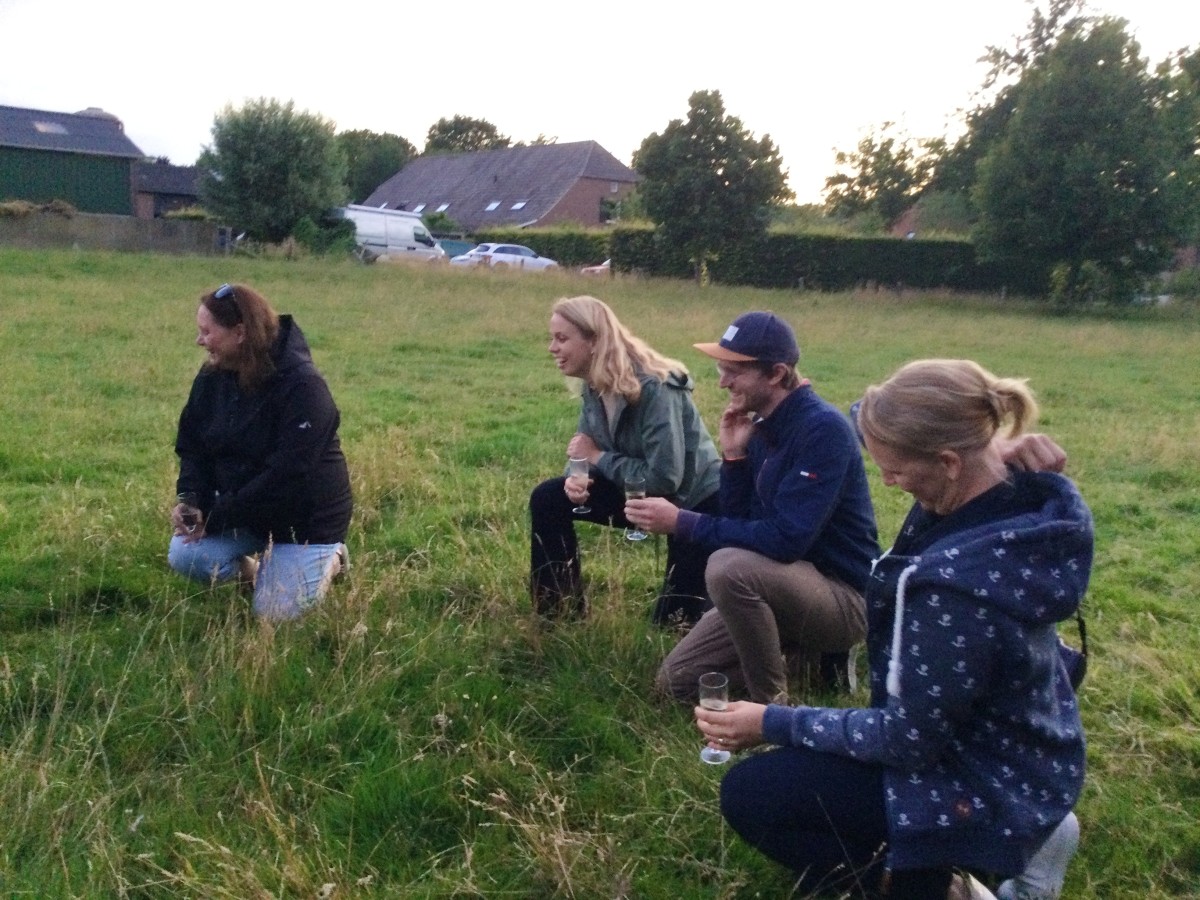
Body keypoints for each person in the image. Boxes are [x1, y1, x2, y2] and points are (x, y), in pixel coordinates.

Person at [693, 358, 1093, 899]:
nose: (886, 481)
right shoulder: (1015, 502)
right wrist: (1008, 456)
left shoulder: (952, 587)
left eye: (897, 471)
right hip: (1028, 744)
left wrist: (772, 721)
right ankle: (977, 848)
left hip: (977, 773)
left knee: (755, 794)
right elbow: (914, 432)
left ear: (950, 462)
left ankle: (961, 869)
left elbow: (908, 740)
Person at [627, 311, 881, 705]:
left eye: (734, 371)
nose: (722, 380)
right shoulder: (763, 424)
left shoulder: (823, 429)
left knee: (729, 568)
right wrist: (734, 459)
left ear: (777, 374)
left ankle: (772, 708)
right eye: (721, 368)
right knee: (675, 686)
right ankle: (802, 658)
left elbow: (786, 540)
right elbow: (742, 523)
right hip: (777, 584)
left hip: (841, 597)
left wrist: (682, 522)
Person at [529, 295, 721, 624]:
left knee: (673, 622)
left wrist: (597, 457)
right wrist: (575, 478)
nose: (552, 348)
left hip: (692, 505)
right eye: (553, 338)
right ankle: (558, 616)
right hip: (636, 493)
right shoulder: (594, 384)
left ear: (594, 341)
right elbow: (583, 447)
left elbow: (664, 479)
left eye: (562, 338)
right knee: (549, 498)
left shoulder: (656, 388)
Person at [168, 283, 353, 620]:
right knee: (185, 554)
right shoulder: (213, 376)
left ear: (239, 333)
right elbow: (193, 444)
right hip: (245, 508)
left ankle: (333, 559)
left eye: (206, 332)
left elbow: (286, 477)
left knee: (274, 616)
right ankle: (260, 574)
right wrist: (191, 498)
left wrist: (217, 516)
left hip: (305, 520)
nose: (199, 341)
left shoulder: (303, 387)